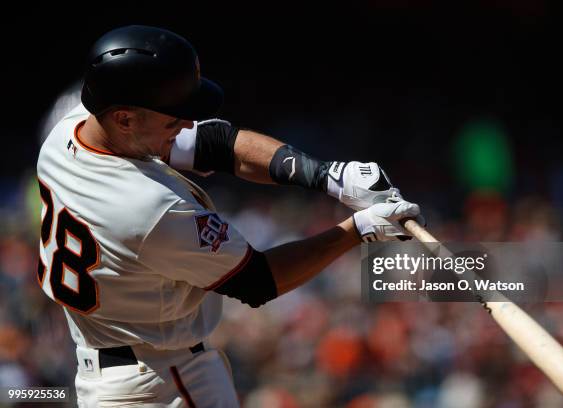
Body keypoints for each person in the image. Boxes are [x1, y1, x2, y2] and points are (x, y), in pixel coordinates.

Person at [36, 25, 423, 407]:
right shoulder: (148, 209)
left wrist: (329, 176)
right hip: (159, 385)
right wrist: (357, 230)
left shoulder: (69, 129)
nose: (187, 125)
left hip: (112, 366)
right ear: (124, 118)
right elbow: (258, 281)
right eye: (172, 120)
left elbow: (215, 144)